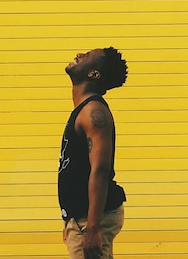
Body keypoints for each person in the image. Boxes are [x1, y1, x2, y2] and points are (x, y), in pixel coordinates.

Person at [58, 47, 128, 259]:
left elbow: (100, 170)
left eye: (86, 56)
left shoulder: (93, 113)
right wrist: (71, 220)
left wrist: (92, 227)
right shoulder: (85, 110)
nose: (79, 54)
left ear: (94, 74)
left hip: (90, 220)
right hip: (81, 219)